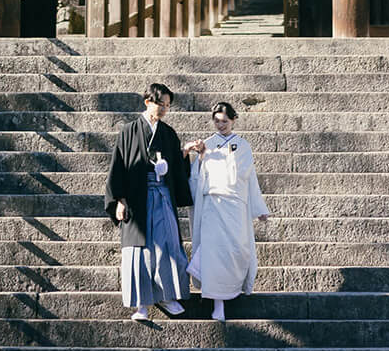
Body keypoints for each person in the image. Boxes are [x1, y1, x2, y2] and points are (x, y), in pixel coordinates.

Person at [104, 81, 193, 322]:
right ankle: (141, 304)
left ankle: (168, 296)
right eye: (160, 104)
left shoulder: (168, 133)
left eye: (167, 105)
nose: (164, 109)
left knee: (168, 244)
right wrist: (119, 200)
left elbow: (176, 167)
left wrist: (183, 156)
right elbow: (118, 167)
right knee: (138, 251)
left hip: (162, 193)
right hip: (135, 197)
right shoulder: (129, 131)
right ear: (147, 102)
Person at [187, 101, 269, 321]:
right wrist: (201, 156)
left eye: (224, 121)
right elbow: (197, 177)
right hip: (213, 206)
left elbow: (250, 178)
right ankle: (217, 303)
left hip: (235, 207)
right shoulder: (207, 143)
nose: (220, 125)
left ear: (233, 120)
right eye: (216, 121)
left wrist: (259, 207)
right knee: (214, 252)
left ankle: (228, 288)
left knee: (236, 251)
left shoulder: (243, 146)